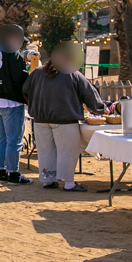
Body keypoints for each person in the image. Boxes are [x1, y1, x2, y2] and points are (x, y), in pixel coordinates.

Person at [22, 41, 107, 191]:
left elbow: (25, 90)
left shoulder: (37, 72)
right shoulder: (73, 74)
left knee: (45, 151)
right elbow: (89, 94)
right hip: (65, 120)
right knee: (67, 151)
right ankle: (69, 183)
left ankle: (48, 180)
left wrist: (35, 104)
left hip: (41, 119)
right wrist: (101, 109)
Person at [0, 24, 31, 184]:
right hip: (11, 103)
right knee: (14, 139)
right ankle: (13, 173)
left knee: (2, 138)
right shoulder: (13, 53)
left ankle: (2, 171)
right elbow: (19, 77)